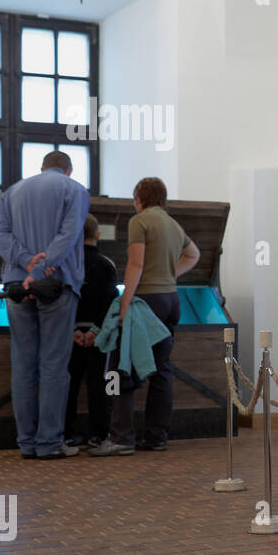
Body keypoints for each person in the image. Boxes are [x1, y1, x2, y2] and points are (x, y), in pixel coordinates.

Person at [0, 150, 90, 460]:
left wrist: (24, 264)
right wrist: (40, 268)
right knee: (54, 367)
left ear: (42, 167)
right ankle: (48, 443)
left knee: (23, 367)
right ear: (68, 169)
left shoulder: (12, 192)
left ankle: (26, 443)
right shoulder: (75, 190)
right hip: (56, 284)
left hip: (16, 287)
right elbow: (70, 235)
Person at [90, 178, 199, 456]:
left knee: (123, 366)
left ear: (139, 198)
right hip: (171, 300)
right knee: (162, 370)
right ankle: (156, 437)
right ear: (162, 198)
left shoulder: (140, 221)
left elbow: (136, 264)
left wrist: (125, 304)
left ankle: (121, 438)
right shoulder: (173, 225)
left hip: (146, 300)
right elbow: (193, 254)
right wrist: (169, 274)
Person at [65, 214, 120, 449]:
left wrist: (74, 330)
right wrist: (96, 330)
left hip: (71, 332)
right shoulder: (107, 264)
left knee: (69, 383)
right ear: (97, 236)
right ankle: (99, 435)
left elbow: (64, 299)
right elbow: (111, 301)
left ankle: (66, 433)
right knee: (101, 383)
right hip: (99, 335)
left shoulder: (67, 262)